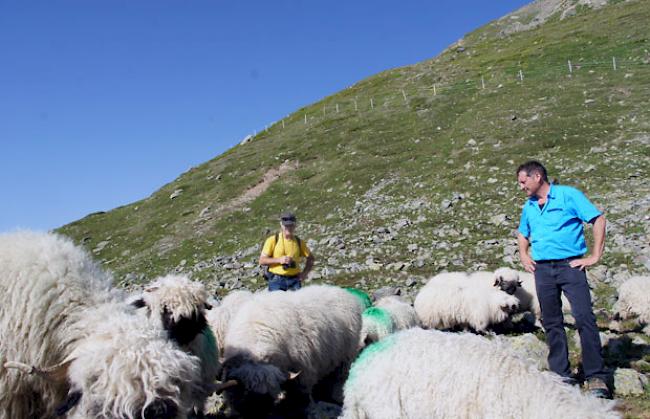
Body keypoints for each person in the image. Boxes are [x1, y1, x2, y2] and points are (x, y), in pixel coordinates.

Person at [516, 160, 610, 398]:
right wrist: (524, 254)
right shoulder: (529, 205)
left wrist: (595, 255)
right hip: (543, 270)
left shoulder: (568, 195)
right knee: (551, 320)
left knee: (584, 317)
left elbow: (598, 219)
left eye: (523, 181)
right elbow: (522, 232)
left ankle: (595, 376)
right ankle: (561, 375)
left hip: (571, 266)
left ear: (537, 176)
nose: (521, 187)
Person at [259, 212, 315, 291]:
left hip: (294, 281)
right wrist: (279, 260)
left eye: (291, 225)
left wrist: (304, 274)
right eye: (286, 225)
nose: (289, 228)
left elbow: (311, 259)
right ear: (281, 225)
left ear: (295, 225)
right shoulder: (272, 240)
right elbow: (262, 260)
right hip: (276, 281)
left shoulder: (299, 242)